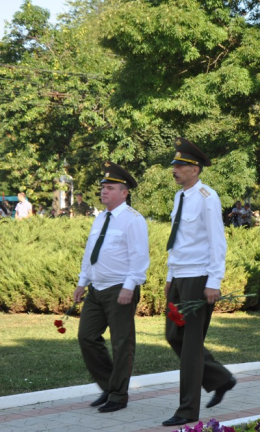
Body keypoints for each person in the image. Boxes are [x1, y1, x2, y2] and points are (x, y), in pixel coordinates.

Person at [163, 137, 235, 427]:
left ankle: (187, 410)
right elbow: (178, 240)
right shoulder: (180, 197)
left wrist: (214, 281)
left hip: (199, 277)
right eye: (174, 165)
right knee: (173, 335)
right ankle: (220, 378)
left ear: (195, 169)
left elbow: (218, 242)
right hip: (180, 276)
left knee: (191, 345)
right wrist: (170, 276)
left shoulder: (208, 197)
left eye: (180, 166)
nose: (174, 170)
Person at [74, 161, 149, 413]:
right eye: (103, 187)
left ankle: (118, 395)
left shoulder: (133, 220)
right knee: (87, 337)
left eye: (110, 188)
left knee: (121, 343)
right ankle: (109, 386)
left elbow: (140, 257)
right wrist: (82, 282)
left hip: (120, 289)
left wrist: (130, 286)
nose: (104, 191)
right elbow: (90, 253)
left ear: (124, 193)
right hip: (96, 289)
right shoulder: (100, 218)